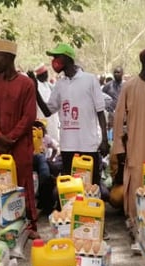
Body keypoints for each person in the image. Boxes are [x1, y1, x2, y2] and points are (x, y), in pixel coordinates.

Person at [37, 42, 109, 185]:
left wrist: (105, 140)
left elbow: (101, 112)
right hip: (68, 147)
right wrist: (34, 91)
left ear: (66, 58)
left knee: (91, 187)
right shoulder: (60, 85)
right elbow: (47, 111)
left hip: (88, 146)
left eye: (56, 57)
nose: (54, 62)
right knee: (70, 188)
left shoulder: (90, 80)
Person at [0, 40, 39, 235]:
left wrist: (12, 137)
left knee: (23, 183)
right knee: (1, 185)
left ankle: (31, 225)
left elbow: (29, 116)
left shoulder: (26, 84)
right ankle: (5, 225)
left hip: (20, 145)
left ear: (9, 58)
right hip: (0, 144)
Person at [112, 48, 145, 221]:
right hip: (136, 146)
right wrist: (119, 148)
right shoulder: (130, 86)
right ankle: (135, 221)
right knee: (136, 181)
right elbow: (118, 118)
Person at [34, 63, 60, 143]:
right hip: (41, 117)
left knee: (53, 140)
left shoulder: (48, 85)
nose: (47, 75)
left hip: (51, 116)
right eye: (46, 73)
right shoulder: (36, 85)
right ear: (42, 74)